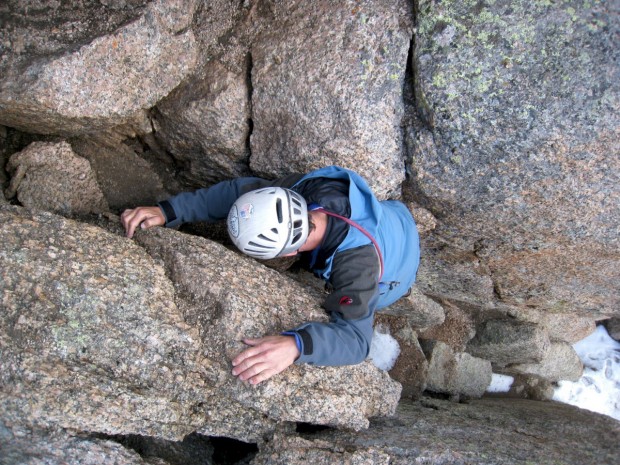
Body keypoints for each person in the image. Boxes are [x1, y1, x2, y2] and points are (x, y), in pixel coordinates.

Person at [121, 166, 420, 385]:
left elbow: (356, 340)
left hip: (397, 271)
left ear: (288, 255)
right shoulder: (305, 188)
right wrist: (170, 210)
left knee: (372, 301)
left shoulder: (358, 266)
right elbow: (240, 194)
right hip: (395, 216)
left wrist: (296, 345)